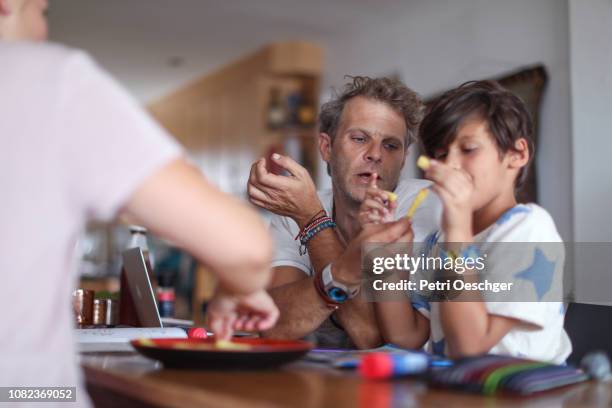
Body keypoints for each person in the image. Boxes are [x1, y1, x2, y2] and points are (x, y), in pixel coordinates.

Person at [0, 0, 278, 404]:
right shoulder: (47, 77)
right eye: (41, 12)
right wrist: (238, 287)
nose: (42, 30)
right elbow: (246, 248)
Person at [365, 80, 571, 363]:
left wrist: (458, 229)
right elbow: (404, 336)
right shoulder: (441, 239)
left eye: (469, 149)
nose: (450, 165)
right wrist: (384, 253)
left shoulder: (528, 229)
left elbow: (469, 350)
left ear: (517, 154)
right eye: (440, 154)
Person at [247, 76, 440, 348]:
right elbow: (272, 326)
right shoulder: (297, 209)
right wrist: (309, 216)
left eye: (390, 145)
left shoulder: (427, 205)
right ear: (327, 148)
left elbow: (372, 337)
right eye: (360, 138)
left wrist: (312, 221)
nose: (375, 154)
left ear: (404, 158)